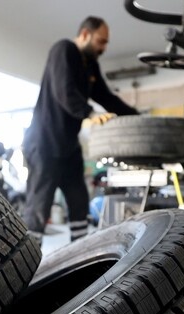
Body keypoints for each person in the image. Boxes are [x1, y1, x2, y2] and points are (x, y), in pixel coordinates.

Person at [22, 16, 139, 243]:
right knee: (39, 208)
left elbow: (106, 97)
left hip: (68, 146)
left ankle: (79, 257)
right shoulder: (63, 50)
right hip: (44, 144)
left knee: (79, 203)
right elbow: (64, 92)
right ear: (85, 34)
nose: (103, 48)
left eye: (106, 43)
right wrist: (91, 113)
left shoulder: (90, 65)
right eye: (100, 41)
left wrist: (137, 117)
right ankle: (26, 264)